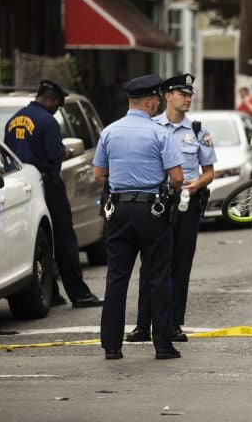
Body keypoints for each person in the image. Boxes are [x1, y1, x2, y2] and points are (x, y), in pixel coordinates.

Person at [92, 74, 185, 360]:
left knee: (116, 278)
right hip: (152, 212)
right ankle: (162, 345)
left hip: (118, 212)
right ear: (148, 101)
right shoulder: (160, 134)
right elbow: (178, 178)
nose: (157, 104)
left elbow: (98, 174)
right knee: (157, 277)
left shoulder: (109, 132)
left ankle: (111, 346)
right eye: (156, 100)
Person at [125, 74, 216, 344]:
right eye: (181, 93)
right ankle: (143, 324)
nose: (187, 98)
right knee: (150, 264)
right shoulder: (152, 127)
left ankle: (174, 323)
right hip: (158, 201)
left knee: (180, 263)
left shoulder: (198, 130)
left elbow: (209, 171)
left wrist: (197, 183)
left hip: (187, 202)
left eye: (190, 94)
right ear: (167, 96)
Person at [4, 79, 103, 309]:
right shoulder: (48, 122)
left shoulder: (13, 120)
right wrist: (66, 152)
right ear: (51, 99)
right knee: (65, 239)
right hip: (48, 185)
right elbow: (55, 153)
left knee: (41, 240)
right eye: (58, 104)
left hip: (22, 187)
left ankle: (51, 292)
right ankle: (79, 295)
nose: (58, 109)